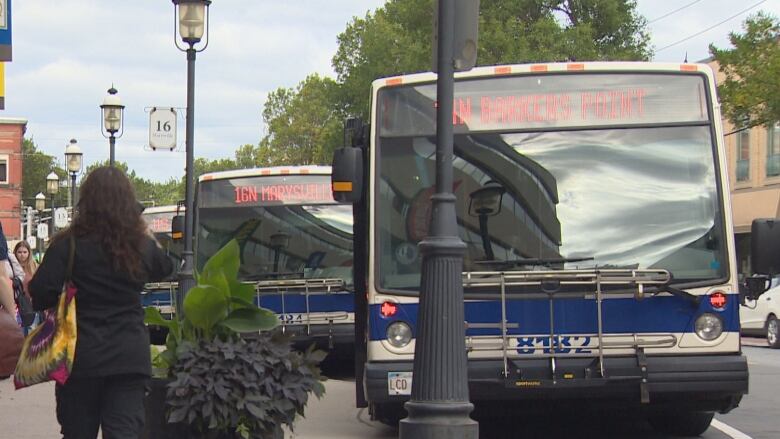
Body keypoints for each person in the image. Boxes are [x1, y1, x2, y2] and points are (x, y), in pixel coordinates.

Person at [29, 166, 174, 439]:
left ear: (87, 201)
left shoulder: (68, 244)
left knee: (77, 433)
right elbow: (166, 267)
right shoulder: (137, 245)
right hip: (128, 356)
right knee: (124, 433)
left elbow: (40, 293)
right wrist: (142, 229)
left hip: (81, 357)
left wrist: (66, 296)